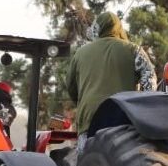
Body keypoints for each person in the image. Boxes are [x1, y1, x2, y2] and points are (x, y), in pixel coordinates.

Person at [66, 11, 155, 151]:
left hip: (89, 121)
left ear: (98, 28)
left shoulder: (80, 53)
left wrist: (84, 100)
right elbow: (149, 81)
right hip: (123, 119)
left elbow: (71, 88)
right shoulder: (133, 50)